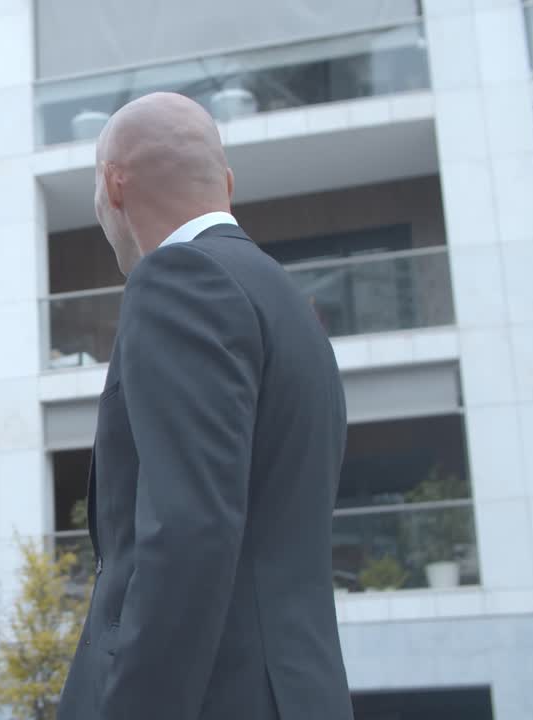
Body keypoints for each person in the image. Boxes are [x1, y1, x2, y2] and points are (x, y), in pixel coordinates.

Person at [56, 93, 353, 720]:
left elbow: (187, 534)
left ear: (113, 185)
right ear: (227, 184)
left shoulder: (179, 280)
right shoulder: (288, 303)